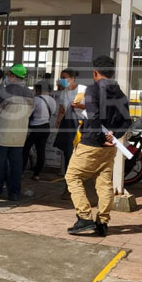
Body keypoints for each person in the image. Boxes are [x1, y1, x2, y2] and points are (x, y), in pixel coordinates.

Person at [66, 56, 131, 237]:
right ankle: (102, 222)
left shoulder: (93, 90)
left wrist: (99, 137)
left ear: (95, 72)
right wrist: (113, 137)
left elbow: (93, 117)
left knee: (72, 177)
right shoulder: (119, 93)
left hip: (91, 144)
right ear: (113, 72)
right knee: (104, 185)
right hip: (110, 147)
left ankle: (85, 218)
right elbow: (127, 121)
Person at [0, 64, 34, 201]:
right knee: (16, 166)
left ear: (12, 75)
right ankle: (14, 193)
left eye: (8, 75)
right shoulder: (30, 94)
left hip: (2, 134)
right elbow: (29, 114)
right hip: (19, 136)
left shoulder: (5, 92)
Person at [54, 68, 87, 199]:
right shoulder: (63, 94)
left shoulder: (83, 90)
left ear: (72, 78)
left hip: (81, 127)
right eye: (61, 77)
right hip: (68, 128)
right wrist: (58, 123)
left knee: (80, 158)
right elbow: (62, 110)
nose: (62, 80)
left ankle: (79, 187)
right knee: (68, 157)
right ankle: (69, 188)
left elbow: (92, 106)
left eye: (65, 77)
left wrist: (78, 106)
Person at [22, 83, 57, 180]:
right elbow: (53, 112)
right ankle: (36, 174)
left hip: (35, 127)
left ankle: (21, 172)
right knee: (41, 151)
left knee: (25, 149)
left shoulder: (36, 100)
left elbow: (29, 113)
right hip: (46, 127)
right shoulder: (52, 100)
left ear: (38, 89)